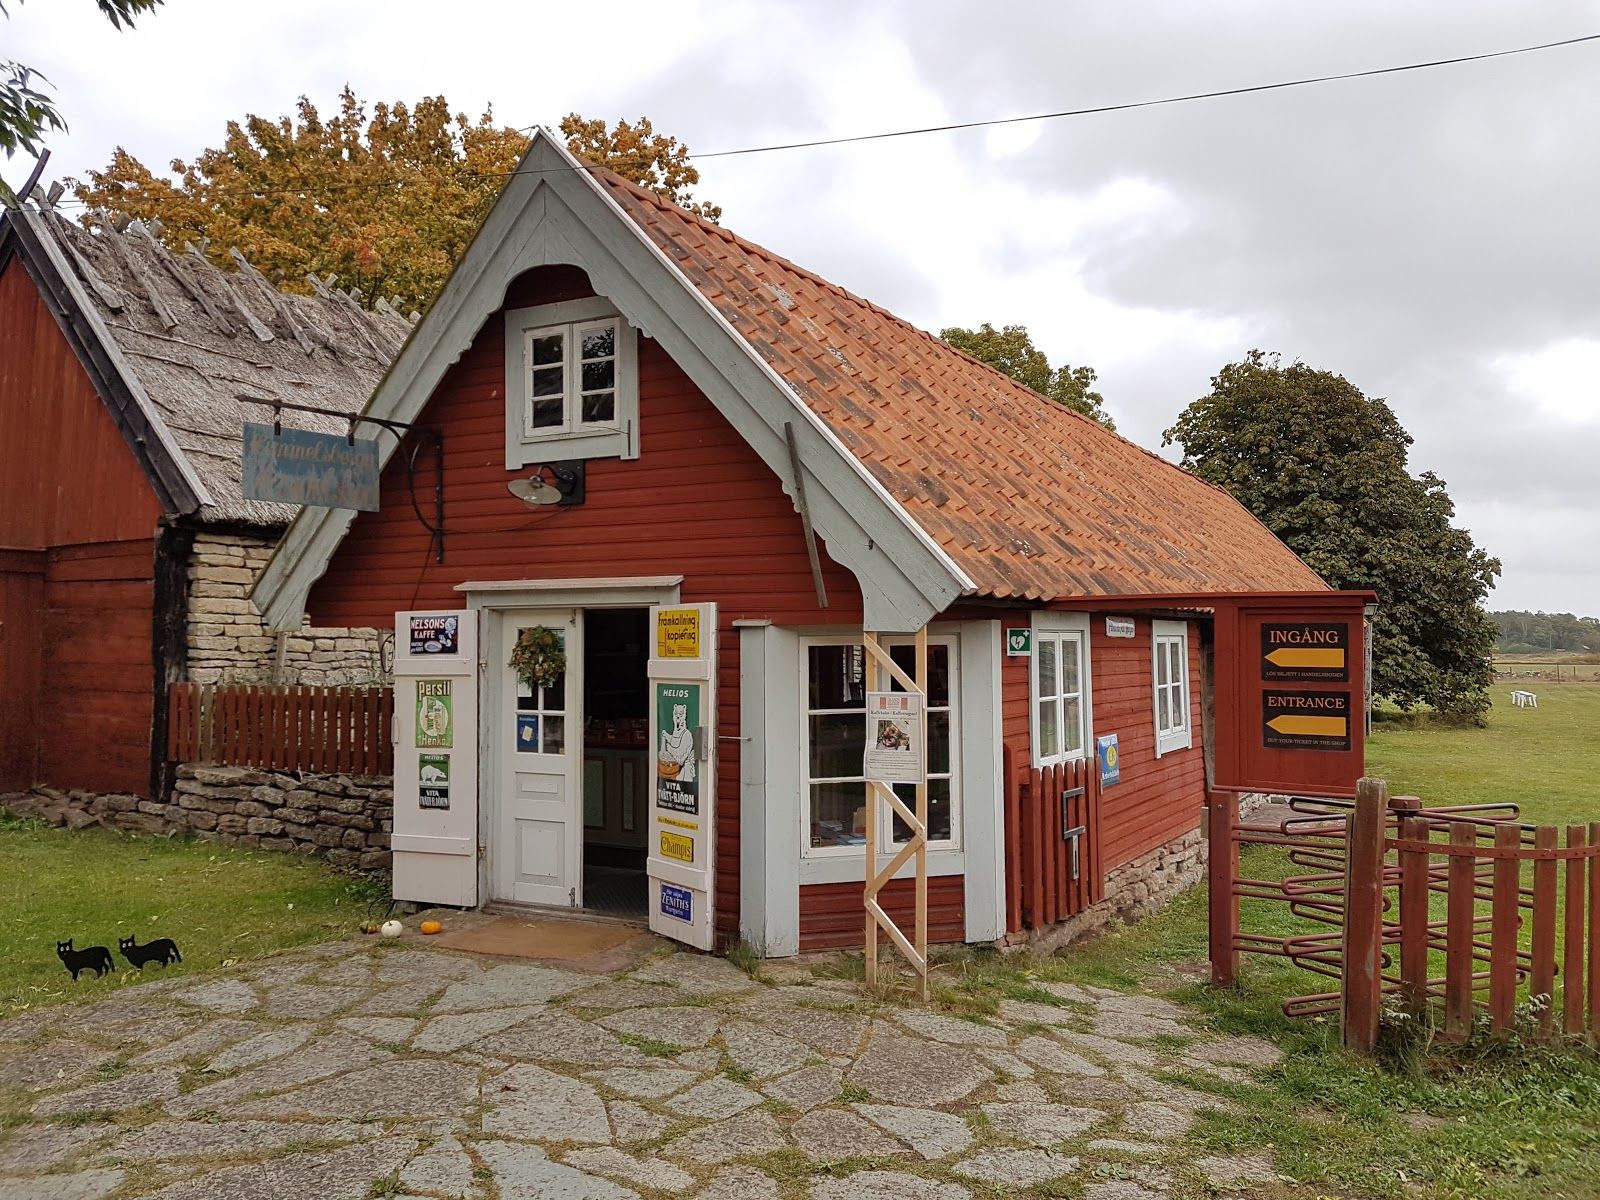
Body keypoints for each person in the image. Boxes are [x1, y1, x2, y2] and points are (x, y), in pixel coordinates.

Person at [660, 702, 696, 782]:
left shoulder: (687, 735)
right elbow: (674, 742)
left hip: (685, 774)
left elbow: (680, 757)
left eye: (680, 714)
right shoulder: (676, 732)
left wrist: (668, 747)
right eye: (676, 714)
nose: (677, 717)